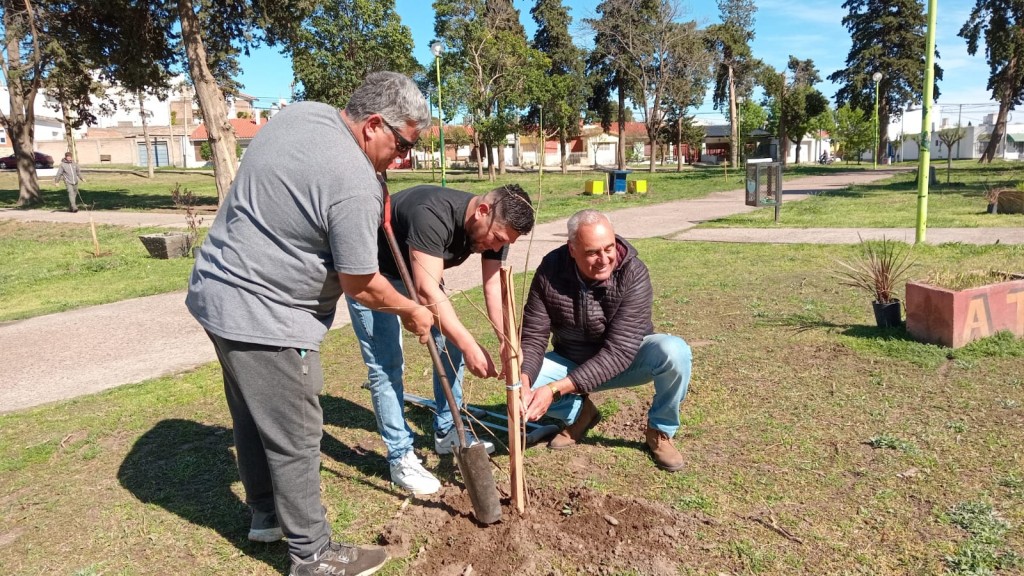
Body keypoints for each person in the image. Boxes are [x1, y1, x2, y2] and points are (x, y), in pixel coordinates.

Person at [185, 72, 435, 576]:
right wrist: (412, 309)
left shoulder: (303, 113)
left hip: (216, 293)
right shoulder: (354, 182)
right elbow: (362, 283)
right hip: (266, 314)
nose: (404, 159)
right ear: (373, 126)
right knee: (298, 435)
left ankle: (266, 517)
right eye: (404, 144)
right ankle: (312, 555)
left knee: (256, 417)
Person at [346, 183, 534, 495]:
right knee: (386, 364)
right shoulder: (432, 213)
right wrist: (471, 345)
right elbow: (427, 291)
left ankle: (447, 430)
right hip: (373, 275)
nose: (495, 246)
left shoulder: (497, 228)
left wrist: (506, 339)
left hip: (420, 275)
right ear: (483, 211)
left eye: (503, 243)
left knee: (450, 346)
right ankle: (400, 455)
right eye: (497, 238)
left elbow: (492, 285)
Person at [518, 209, 692, 472]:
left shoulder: (633, 273)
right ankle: (581, 414)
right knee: (518, 380)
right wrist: (524, 383)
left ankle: (660, 430)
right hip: (571, 361)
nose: (604, 259)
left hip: (627, 362)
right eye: (592, 253)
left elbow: (620, 351)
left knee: (674, 352)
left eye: (608, 248)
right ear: (572, 249)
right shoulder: (550, 270)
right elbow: (533, 334)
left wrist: (555, 390)